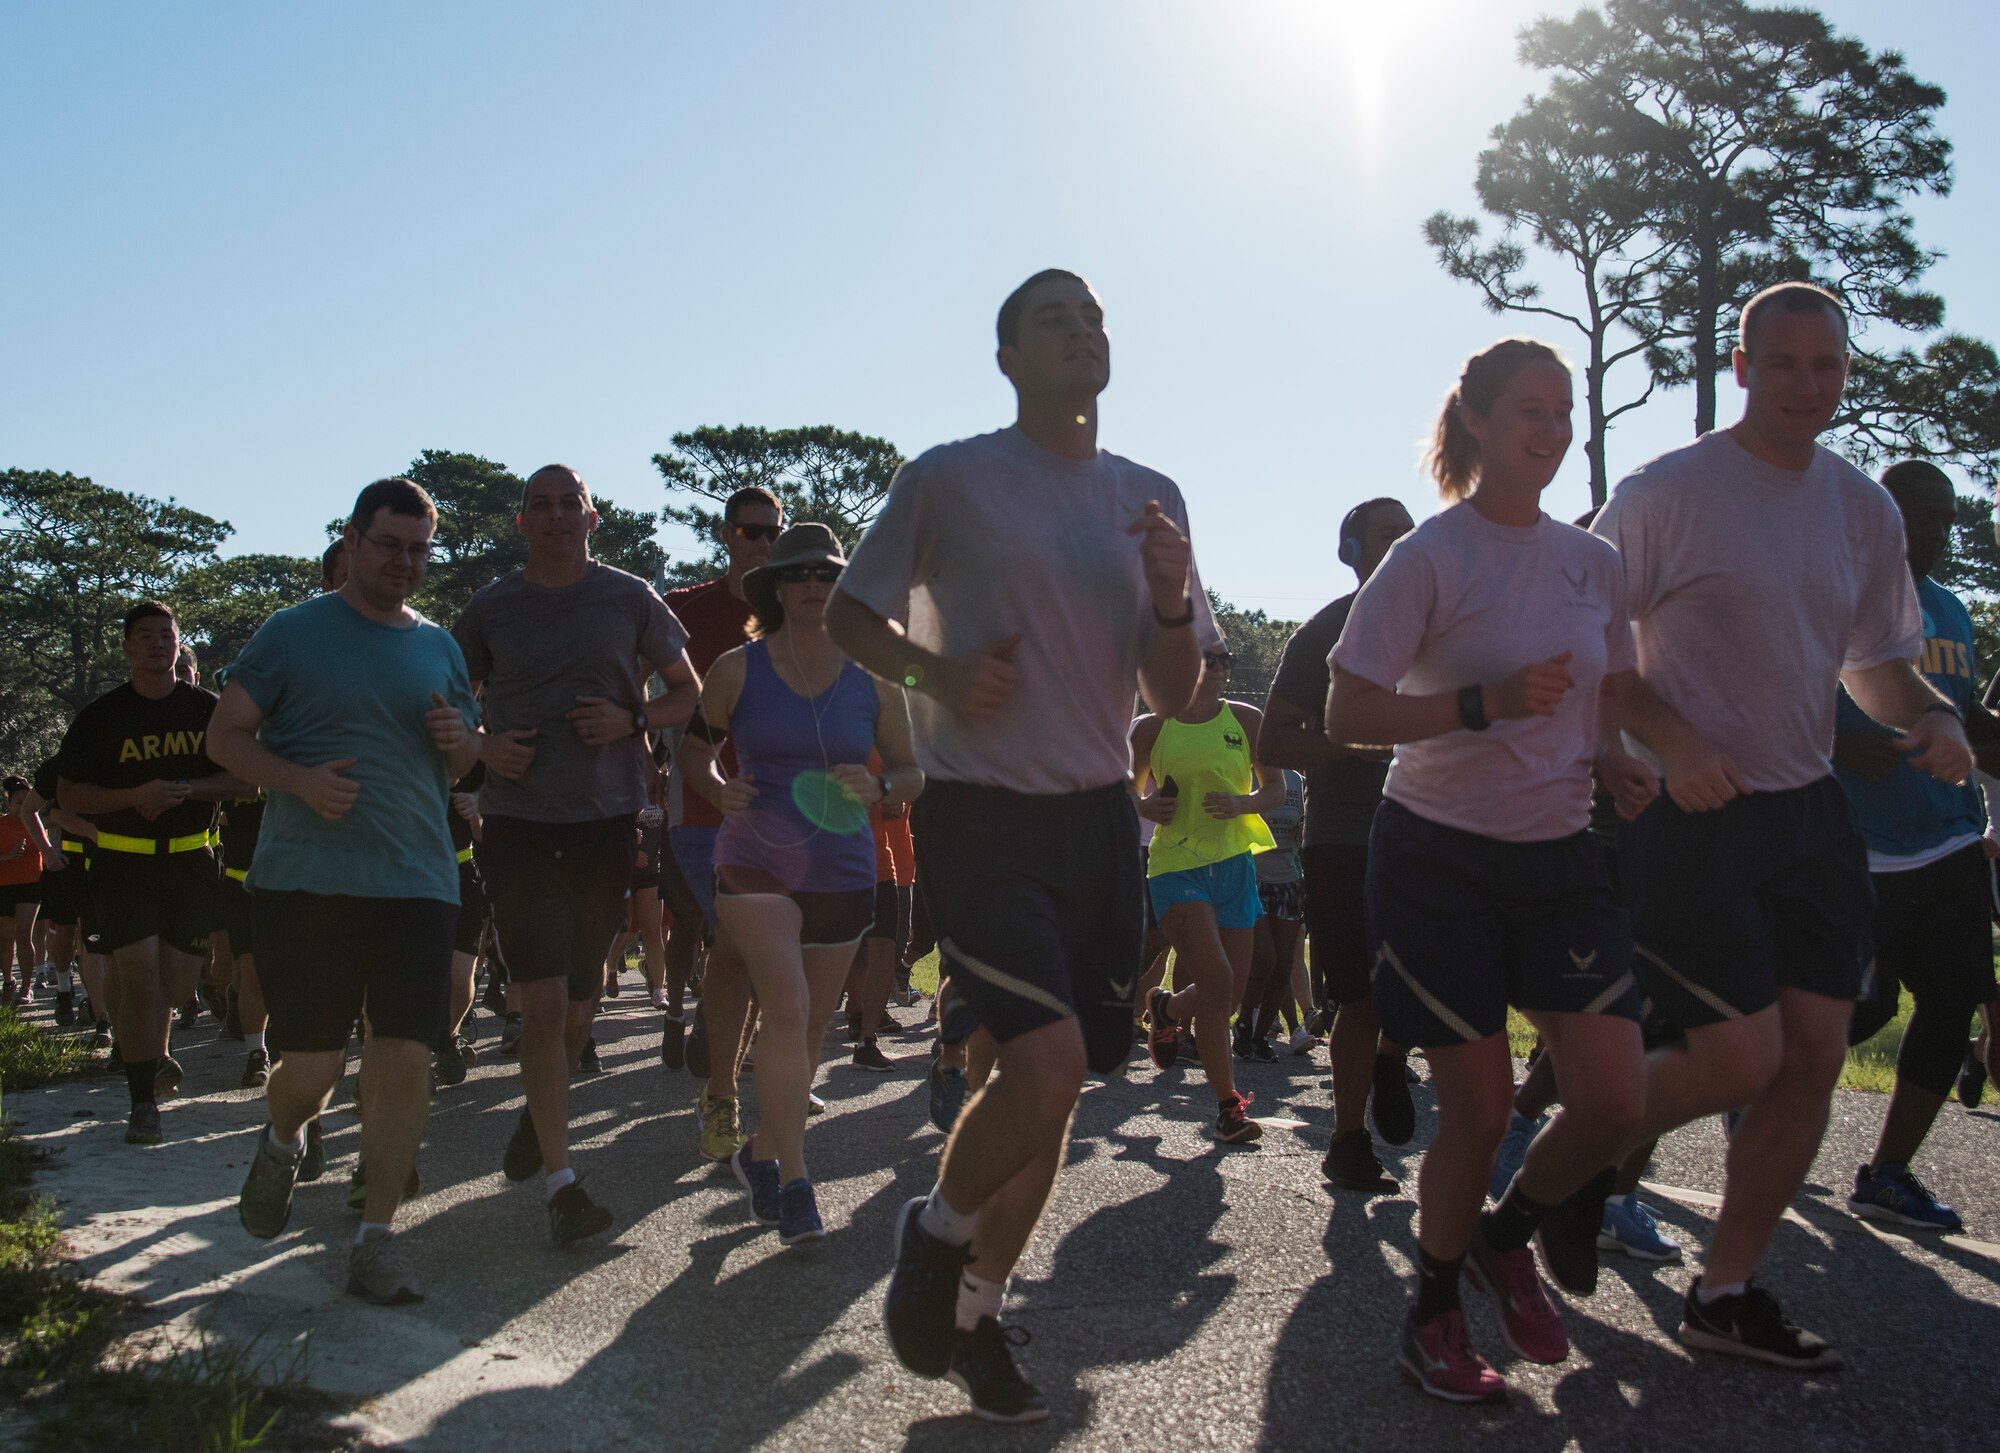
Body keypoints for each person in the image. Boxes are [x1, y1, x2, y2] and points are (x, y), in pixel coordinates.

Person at [828, 268, 1216, 1423]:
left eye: (1094, 316)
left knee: (1051, 1090)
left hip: (1098, 819)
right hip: (981, 810)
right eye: (1054, 317)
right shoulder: (949, 479)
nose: (1082, 331)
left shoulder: (1149, 499)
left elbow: (1180, 689)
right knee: (1043, 1067)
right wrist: (935, 672)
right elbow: (853, 614)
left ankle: (977, 1309)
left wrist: (1164, 595)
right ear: (1005, 357)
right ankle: (935, 1233)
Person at [1593, 282, 1972, 1370]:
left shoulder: (1861, 508)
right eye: (1786, 363)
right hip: (1698, 814)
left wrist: (1934, 716)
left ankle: (1723, 1287)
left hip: (1808, 811)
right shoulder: (1667, 491)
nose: (1809, 385)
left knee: (1809, 1054)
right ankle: (1566, 1149)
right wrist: (1667, 743)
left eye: (1829, 365)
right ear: (1742, 367)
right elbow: (1593, 640)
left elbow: (1877, 666)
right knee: (1736, 1056)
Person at [214, 476, 482, 1304]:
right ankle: (284, 1134)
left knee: (404, 1058)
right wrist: (295, 779)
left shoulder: (439, 644)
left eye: (418, 549)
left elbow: (468, 757)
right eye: (389, 544)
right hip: (308, 885)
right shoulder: (292, 633)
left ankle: (377, 1238)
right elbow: (224, 735)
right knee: (317, 1065)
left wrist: (460, 739)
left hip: (418, 882)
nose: (404, 562)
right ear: (355, 541)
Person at [454, 463, 698, 1244]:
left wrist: (632, 723)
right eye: (541, 506)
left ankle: (539, 1104)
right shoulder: (492, 606)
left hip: (606, 819)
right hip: (519, 823)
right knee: (546, 999)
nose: (557, 516)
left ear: (592, 517)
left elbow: (686, 692)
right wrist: (487, 746)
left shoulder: (628, 596)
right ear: (522, 522)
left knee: (583, 1002)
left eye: (571, 503)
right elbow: (448, 701)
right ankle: (563, 1185)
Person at [682, 523, 922, 1244]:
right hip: (754, 857)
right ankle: (795, 1183)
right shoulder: (735, 667)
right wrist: (718, 786)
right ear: (777, 588)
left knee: (810, 1028)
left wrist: (882, 784)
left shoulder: (876, 676)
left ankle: (759, 1150)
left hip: (844, 868)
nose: (814, 586)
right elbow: (694, 748)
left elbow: (913, 773)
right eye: (799, 575)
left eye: (828, 574)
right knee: (784, 1006)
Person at [1831, 460, 1998, 1232]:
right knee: (1859, 1012)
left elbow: (1968, 720)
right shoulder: (1838, 600)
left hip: (1949, 840)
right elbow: (1765, 700)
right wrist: (1839, 739)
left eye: (1945, 517)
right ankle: (1752, 1090)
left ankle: (1887, 1171)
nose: (1935, 529)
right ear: (1881, 515)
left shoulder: (1953, 613)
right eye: (1920, 514)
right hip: (1858, 849)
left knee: (1955, 993)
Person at [1263, 497, 1419, 1191]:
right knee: (1358, 994)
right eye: (1387, 532)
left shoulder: (1440, 625)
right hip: (1344, 836)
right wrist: (1357, 740)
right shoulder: (1323, 633)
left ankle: (1392, 1053)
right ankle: (1349, 1141)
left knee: (1425, 981)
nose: (1405, 541)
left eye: (1411, 531)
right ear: (1349, 551)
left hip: (1433, 827)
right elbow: (1273, 741)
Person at [53, 601, 245, 1145]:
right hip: (123, 862)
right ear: (127, 648)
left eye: (167, 635)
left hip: (190, 861)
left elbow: (245, 781)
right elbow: (70, 794)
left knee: (177, 985)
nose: (159, 644)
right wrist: (136, 795)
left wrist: (187, 790)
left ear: (179, 643)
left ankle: (155, 1056)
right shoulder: (102, 716)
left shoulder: (207, 709)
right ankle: (142, 1101)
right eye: (146, 636)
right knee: (137, 977)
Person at [667, 486, 784, 1158]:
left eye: (773, 531)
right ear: (727, 534)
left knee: (768, 951)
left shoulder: (798, 611)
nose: (763, 542)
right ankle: (723, 1094)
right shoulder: (684, 610)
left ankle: (756, 1068)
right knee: (738, 942)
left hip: (783, 812)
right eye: (750, 531)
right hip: (703, 807)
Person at [1134, 646, 1283, 1143]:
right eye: (1208, 657)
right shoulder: (1151, 727)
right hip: (1176, 867)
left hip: (1234, 865)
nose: (1219, 667)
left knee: (1230, 996)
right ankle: (1228, 1108)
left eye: (1225, 659)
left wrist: (1243, 801)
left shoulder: (1246, 719)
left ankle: (1167, 1010)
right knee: (1217, 979)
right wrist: (1147, 805)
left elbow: (1276, 790)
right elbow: (1122, 790)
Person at [32, 756, 103, 1038]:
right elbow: (41, 813)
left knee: (93, 934)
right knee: (65, 930)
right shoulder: (63, 765)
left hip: (102, 859)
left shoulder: (116, 759)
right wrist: (50, 847)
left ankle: (96, 1003)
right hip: (64, 862)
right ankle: (63, 989)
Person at [0, 775, 50, 1006]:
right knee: (5, 938)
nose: (22, 808)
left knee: (23, 935)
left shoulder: (36, 822)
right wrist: (7, 857)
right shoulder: (1, 824)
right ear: (8, 801)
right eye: (18, 803)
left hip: (31, 884)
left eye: (26, 803)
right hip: (4, 885)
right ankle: (9, 981)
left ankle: (26, 987)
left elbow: (46, 852)